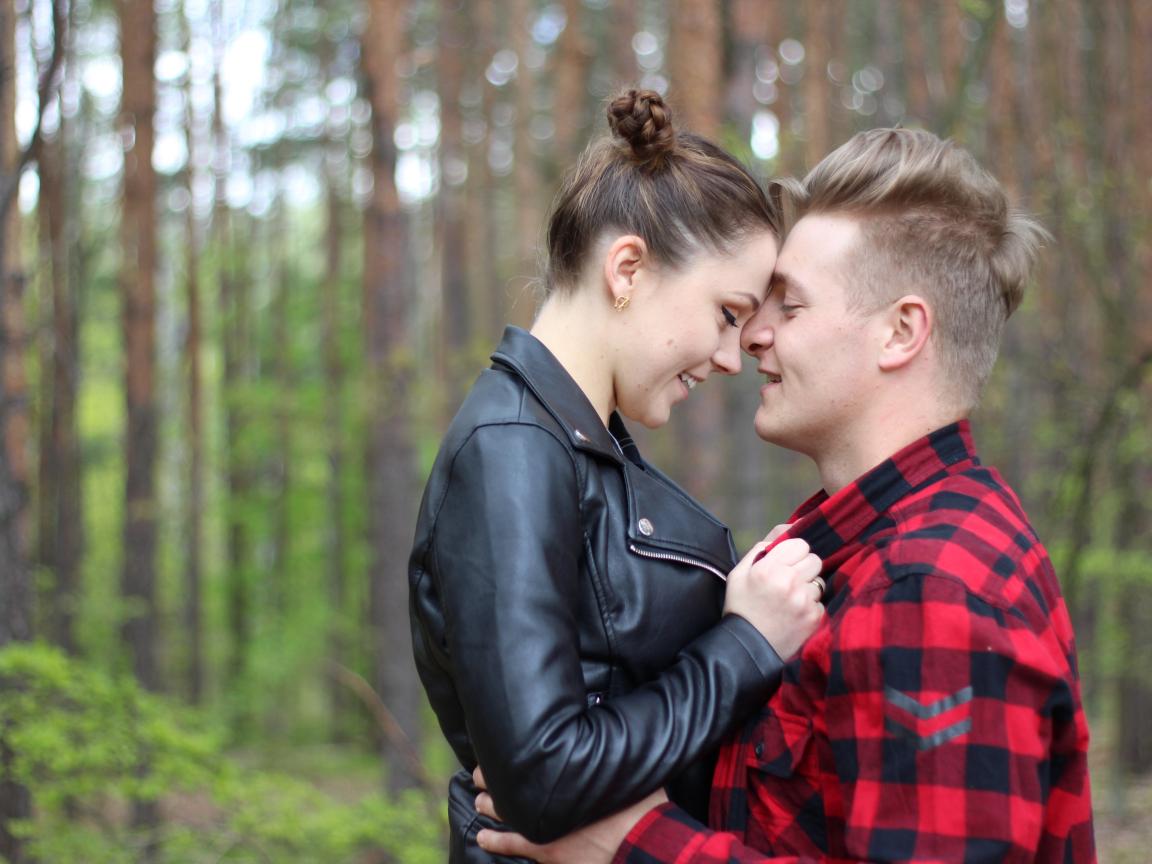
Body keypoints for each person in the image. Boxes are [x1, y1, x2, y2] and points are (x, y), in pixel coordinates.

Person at [475, 128, 1096, 862]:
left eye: (790, 307)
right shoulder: (852, 559)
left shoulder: (931, 590)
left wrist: (634, 846)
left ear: (900, 332)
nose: (752, 338)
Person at [408, 89, 826, 862]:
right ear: (627, 268)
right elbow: (542, 775)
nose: (732, 357)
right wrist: (747, 644)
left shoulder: (577, 442)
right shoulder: (512, 450)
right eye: (727, 314)